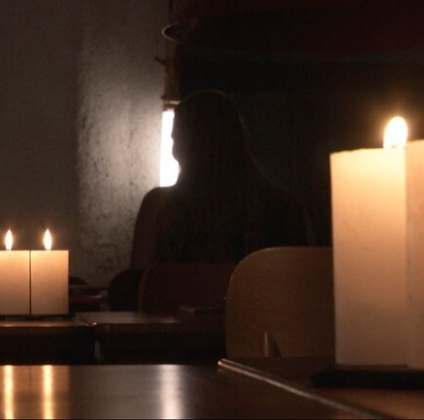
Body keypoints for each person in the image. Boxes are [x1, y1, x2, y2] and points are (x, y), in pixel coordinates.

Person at [109, 89, 313, 310]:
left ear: (183, 145)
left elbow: (137, 290)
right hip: (263, 331)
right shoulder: (286, 208)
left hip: (173, 332)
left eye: (174, 138)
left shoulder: (158, 207)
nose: (173, 147)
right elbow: (305, 290)